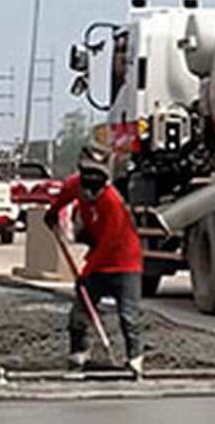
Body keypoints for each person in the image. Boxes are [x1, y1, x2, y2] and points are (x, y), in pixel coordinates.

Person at [46, 145, 144, 374]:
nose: (89, 183)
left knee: (128, 315)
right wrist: (52, 213)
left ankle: (135, 358)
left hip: (124, 263)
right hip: (97, 260)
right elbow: (62, 199)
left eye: (96, 177)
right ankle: (78, 355)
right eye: (86, 175)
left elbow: (108, 244)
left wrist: (86, 272)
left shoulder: (112, 203)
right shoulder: (75, 186)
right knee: (80, 312)